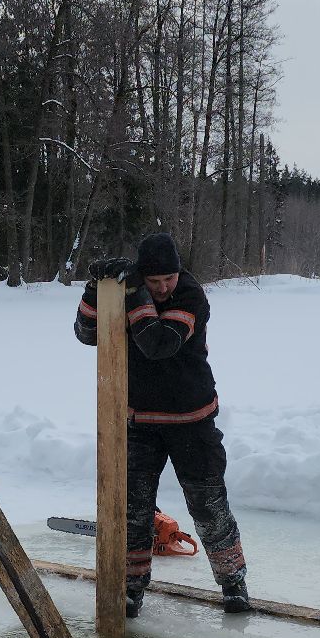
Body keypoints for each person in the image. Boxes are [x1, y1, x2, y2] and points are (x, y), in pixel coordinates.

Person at [74, 233, 249, 616]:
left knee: (208, 505)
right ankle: (132, 586)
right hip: (139, 422)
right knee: (133, 510)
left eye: (168, 278)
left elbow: (157, 344)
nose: (163, 287)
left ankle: (233, 581)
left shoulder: (190, 295)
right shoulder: (132, 289)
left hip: (192, 420)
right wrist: (96, 289)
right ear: (143, 276)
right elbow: (87, 333)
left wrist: (135, 295)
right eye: (155, 282)